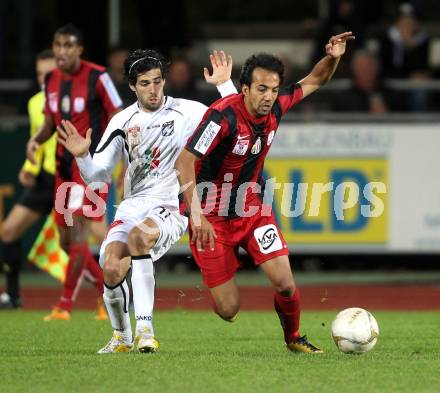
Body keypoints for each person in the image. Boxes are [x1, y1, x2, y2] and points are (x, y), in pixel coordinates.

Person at [175, 32, 355, 354]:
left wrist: (333, 56)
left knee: (286, 283)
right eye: (261, 89)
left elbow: (316, 78)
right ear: (244, 89)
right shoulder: (222, 117)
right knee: (228, 310)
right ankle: (223, 272)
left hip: (252, 209)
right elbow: (184, 162)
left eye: (273, 89)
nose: (269, 96)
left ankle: (294, 338)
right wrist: (197, 215)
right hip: (211, 217)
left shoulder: (277, 108)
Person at [56, 49, 237, 353]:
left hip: (171, 205)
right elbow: (97, 176)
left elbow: (232, 120)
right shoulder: (122, 121)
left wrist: (224, 86)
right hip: (133, 205)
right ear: (132, 86)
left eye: (157, 81)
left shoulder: (188, 111)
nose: (153, 90)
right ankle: (121, 337)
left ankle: (145, 331)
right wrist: (83, 155)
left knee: (140, 239)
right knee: (111, 267)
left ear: (164, 81)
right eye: (144, 84)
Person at [26, 23, 123, 321]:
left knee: (79, 234)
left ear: (80, 49)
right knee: (67, 240)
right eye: (57, 45)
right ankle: (108, 294)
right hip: (63, 170)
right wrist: (35, 140)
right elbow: (49, 124)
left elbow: (120, 116)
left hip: (90, 167)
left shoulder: (98, 76)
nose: (62, 51)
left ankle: (64, 305)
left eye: (68, 45)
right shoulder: (52, 80)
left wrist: (117, 157)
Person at [0, 50, 56, 309]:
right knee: (9, 231)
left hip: (71, 180)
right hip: (45, 179)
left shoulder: (73, 100)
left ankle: (124, 296)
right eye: (39, 75)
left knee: (101, 239)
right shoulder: (35, 102)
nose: (44, 80)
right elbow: (38, 141)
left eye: (49, 74)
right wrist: (29, 169)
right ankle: (12, 296)